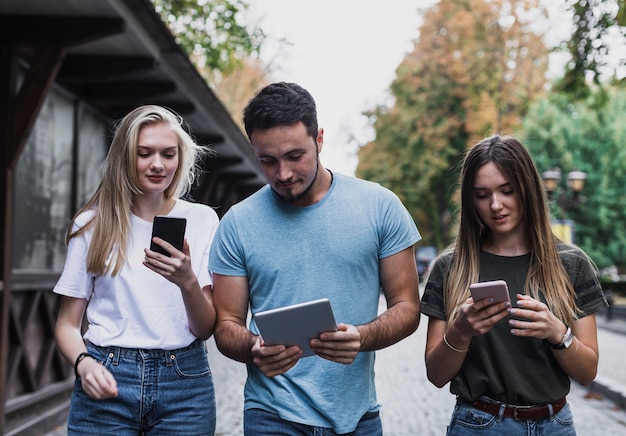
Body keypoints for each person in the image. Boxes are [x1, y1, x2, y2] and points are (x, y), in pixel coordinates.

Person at [208, 82, 421, 435]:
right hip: (271, 415)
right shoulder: (237, 223)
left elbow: (408, 308)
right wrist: (253, 347)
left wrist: (362, 337)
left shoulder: (380, 206)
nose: (283, 174)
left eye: (295, 156)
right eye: (267, 161)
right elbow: (225, 324)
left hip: (359, 417)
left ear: (319, 139)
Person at [421, 135, 608, 435]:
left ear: (528, 189)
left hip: (555, 425)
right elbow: (436, 375)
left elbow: (588, 372)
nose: (496, 205)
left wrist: (557, 333)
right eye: (482, 195)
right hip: (479, 424)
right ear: (471, 200)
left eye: (507, 191)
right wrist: (461, 330)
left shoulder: (572, 264)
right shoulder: (450, 267)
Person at [54, 105, 219, 435]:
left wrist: (187, 281)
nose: (158, 164)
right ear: (125, 157)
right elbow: (66, 325)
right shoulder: (92, 224)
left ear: (180, 158)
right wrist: (83, 364)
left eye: (168, 154)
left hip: (184, 384)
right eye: (144, 153)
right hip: (108, 374)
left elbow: (204, 329)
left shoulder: (202, 220)